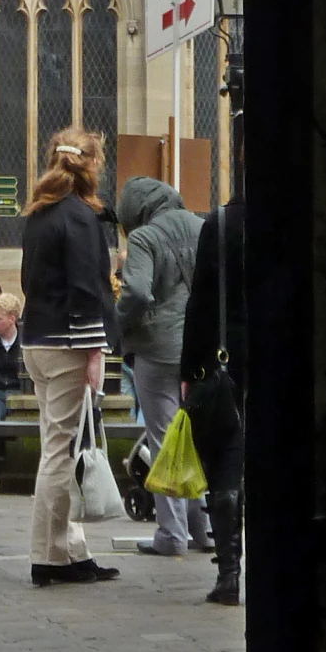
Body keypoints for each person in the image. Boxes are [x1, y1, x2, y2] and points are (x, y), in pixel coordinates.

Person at [21, 128, 121, 588]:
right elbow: (86, 288)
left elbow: (29, 282)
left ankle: (70, 549)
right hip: (68, 342)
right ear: (91, 164)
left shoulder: (39, 214)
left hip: (38, 339)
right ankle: (48, 555)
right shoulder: (80, 217)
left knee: (58, 445)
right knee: (59, 453)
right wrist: (95, 349)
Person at [115, 174, 211, 560]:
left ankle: (172, 533)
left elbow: (137, 291)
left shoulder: (144, 237)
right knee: (197, 439)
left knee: (164, 438)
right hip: (200, 347)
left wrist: (119, 320)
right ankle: (203, 529)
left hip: (157, 349)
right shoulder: (203, 227)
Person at [180, 195, 247, 605]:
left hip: (224, 362)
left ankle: (229, 573)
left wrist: (188, 370)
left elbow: (201, 302)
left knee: (225, 461)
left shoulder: (222, 224)